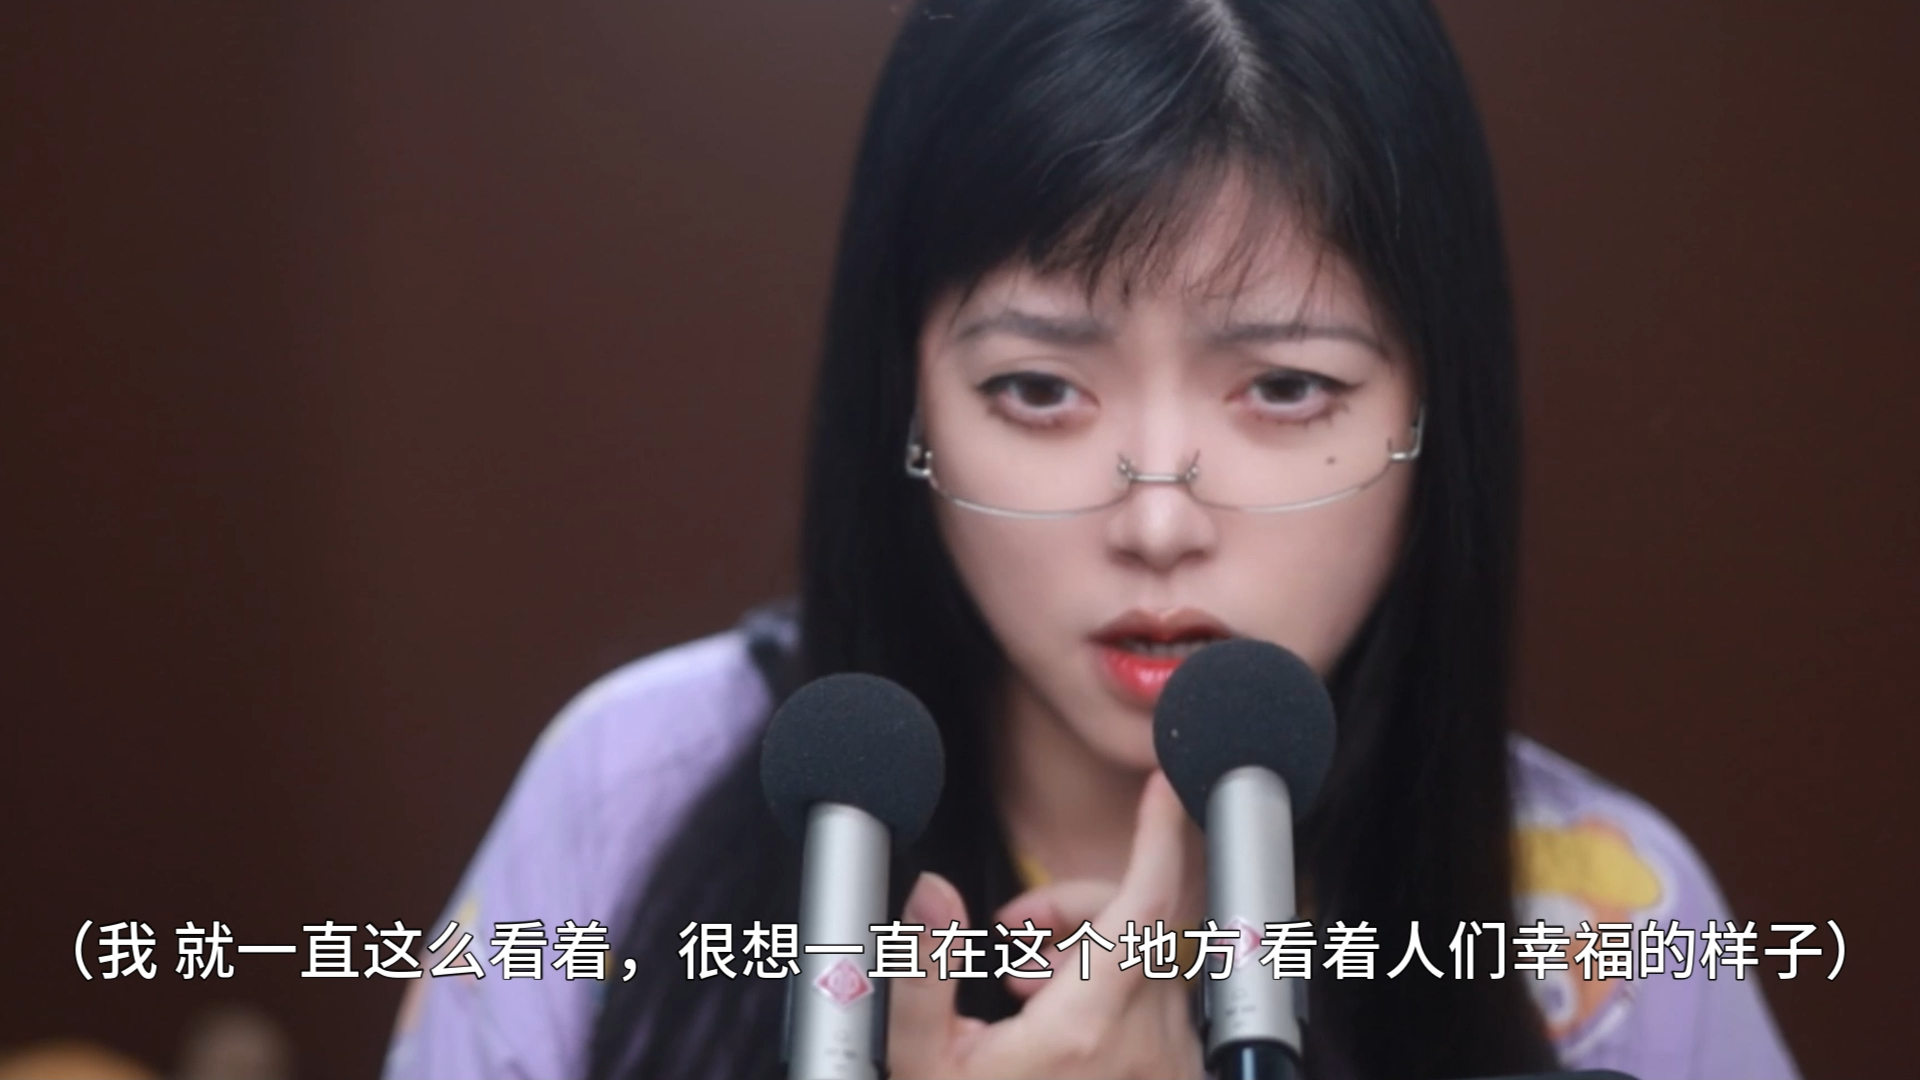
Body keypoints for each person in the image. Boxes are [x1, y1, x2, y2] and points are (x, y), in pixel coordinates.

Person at [382, 0, 1800, 1077]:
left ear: (1437, 409)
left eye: (1285, 388)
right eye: (1039, 390)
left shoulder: (1615, 933)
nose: (1158, 521)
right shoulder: (631, 792)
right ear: (908, 405)